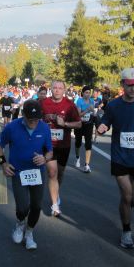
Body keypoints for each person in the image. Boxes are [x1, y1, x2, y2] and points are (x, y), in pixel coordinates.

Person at [97, 68, 134, 249]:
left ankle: (126, 209)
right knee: (127, 194)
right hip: (120, 157)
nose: (133, 89)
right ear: (122, 84)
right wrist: (102, 126)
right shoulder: (114, 105)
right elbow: (106, 121)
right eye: (129, 86)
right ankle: (126, 231)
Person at [0, 99, 53, 250]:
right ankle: (20, 223)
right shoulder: (12, 127)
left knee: (36, 206)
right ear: (23, 115)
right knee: (22, 207)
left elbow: (50, 151)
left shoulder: (45, 128)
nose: (33, 123)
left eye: (36, 119)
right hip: (18, 172)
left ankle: (29, 232)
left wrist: (44, 158)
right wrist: (3, 163)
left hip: (37, 173)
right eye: (30, 119)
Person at [40, 80, 81, 216]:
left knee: (60, 174)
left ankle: (55, 193)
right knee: (52, 173)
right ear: (51, 89)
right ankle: (55, 205)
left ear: (64, 90)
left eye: (60, 88)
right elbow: (33, 119)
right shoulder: (43, 103)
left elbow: (79, 124)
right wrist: (42, 121)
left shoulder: (70, 105)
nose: (57, 90)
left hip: (64, 145)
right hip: (48, 144)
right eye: (55, 88)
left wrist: (65, 123)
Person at [74, 86, 95, 173]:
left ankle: (87, 165)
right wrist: (87, 110)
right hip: (80, 124)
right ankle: (77, 158)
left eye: (89, 92)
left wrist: (93, 111)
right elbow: (78, 115)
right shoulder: (79, 101)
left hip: (88, 125)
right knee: (78, 142)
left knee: (88, 144)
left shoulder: (92, 101)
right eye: (86, 92)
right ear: (82, 93)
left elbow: (93, 112)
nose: (88, 94)